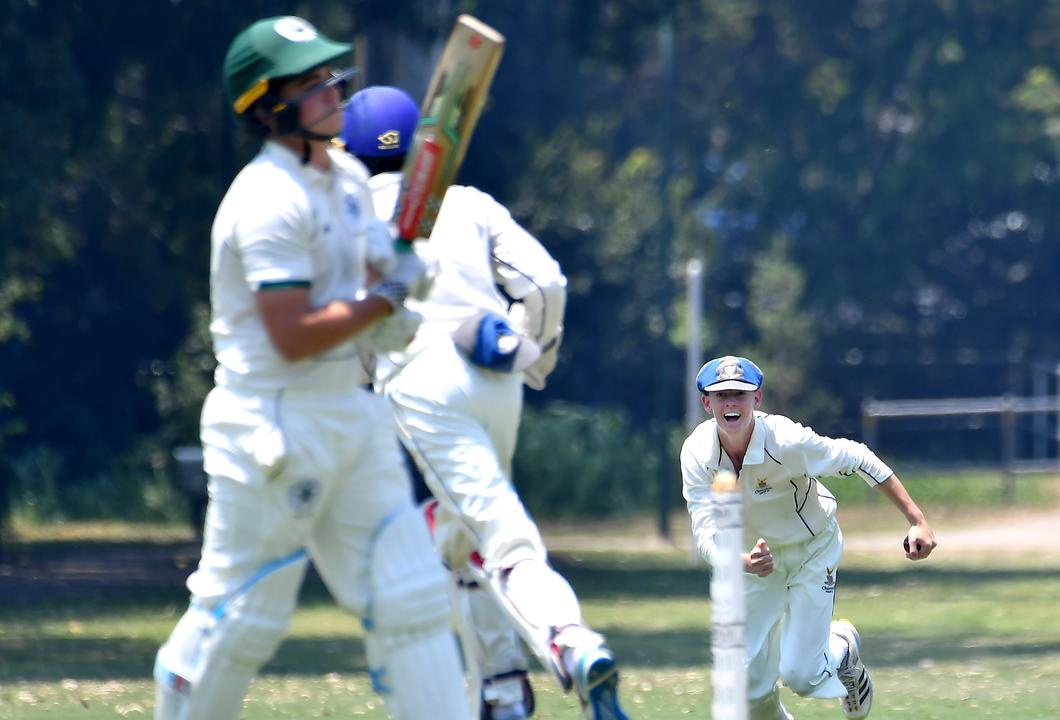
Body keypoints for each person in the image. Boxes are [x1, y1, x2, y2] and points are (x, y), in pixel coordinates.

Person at [153, 19, 468, 720]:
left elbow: (356, 280)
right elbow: (293, 333)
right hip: (271, 422)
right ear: (266, 107)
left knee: (413, 600)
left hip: (350, 412)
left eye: (329, 76)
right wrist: (385, 299)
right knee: (243, 617)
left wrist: (395, 275)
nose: (332, 90)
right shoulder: (265, 199)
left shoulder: (350, 178)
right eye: (309, 83)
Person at [341, 85, 630, 720]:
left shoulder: (353, 221)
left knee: (500, 535)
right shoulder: (467, 202)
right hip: (495, 372)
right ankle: (501, 688)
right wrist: (535, 358)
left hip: (420, 381)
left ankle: (567, 640)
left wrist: (368, 381)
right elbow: (546, 281)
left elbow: (356, 334)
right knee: (458, 534)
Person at [681, 355, 938, 720]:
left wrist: (918, 520)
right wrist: (743, 562)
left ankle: (842, 649)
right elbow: (704, 529)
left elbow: (858, 457)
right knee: (748, 688)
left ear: (758, 398)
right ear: (707, 403)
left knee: (801, 675)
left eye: (740, 393)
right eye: (721, 396)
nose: (731, 403)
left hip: (811, 552)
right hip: (755, 564)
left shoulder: (787, 441)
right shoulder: (696, 454)